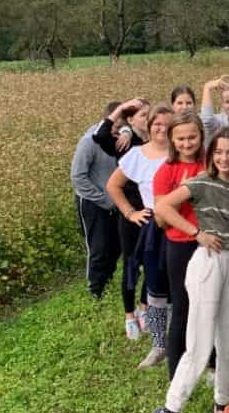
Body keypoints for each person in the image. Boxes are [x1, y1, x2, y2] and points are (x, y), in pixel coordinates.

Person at [147, 128, 229, 413]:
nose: (223, 158)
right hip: (207, 263)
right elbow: (164, 207)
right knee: (199, 344)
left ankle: (222, 405)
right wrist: (196, 233)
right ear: (211, 155)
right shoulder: (202, 182)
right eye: (218, 152)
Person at [106, 104, 172, 353]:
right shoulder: (136, 154)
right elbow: (113, 185)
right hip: (153, 226)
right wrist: (130, 213)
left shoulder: (182, 152)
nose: (161, 129)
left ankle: (177, 332)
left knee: (175, 284)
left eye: (167, 125)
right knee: (154, 283)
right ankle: (158, 341)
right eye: (157, 124)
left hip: (181, 225)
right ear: (149, 125)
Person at [152, 113, 205, 381]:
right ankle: (176, 372)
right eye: (181, 138)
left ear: (201, 136)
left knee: (210, 307)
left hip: (211, 245)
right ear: (172, 140)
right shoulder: (166, 171)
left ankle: (212, 364)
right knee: (183, 307)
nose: (187, 143)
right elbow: (161, 218)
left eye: (192, 137)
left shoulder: (210, 164)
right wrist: (183, 192)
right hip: (180, 246)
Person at [71, 102, 124, 303]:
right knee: (98, 249)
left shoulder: (118, 140)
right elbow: (78, 177)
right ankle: (95, 292)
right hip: (93, 203)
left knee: (115, 247)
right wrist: (105, 200)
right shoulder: (89, 142)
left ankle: (108, 284)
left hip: (114, 202)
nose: (118, 131)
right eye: (116, 127)